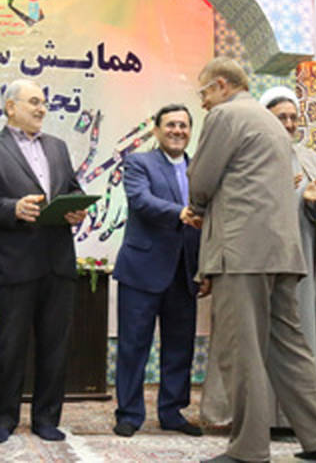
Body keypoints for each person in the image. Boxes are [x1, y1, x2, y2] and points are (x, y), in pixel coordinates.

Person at [187, 58, 316, 462]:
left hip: (243, 253)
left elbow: (201, 179)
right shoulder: (270, 122)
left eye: (204, 92)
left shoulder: (225, 115)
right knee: (288, 346)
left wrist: (195, 207)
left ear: (222, 85)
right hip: (281, 252)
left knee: (243, 348)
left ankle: (249, 449)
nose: (203, 102)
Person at [0, 79, 87, 444]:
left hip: (58, 261)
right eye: (33, 101)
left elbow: (72, 188)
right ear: (11, 107)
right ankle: (1, 419)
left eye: (44, 102)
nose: (41, 108)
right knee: (9, 345)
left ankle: (47, 419)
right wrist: (12, 208)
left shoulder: (58, 146)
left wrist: (77, 207)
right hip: (15, 261)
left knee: (55, 346)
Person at [111, 104, 202, 438]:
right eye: (171, 124)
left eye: (183, 125)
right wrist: (180, 213)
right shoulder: (139, 162)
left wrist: (206, 271)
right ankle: (129, 414)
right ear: (156, 129)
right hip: (142, 270)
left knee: (180, 346)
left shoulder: (199, 169)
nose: (177, 131)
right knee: (133, 345)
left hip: (185, 272)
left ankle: (172, 412)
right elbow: (140, 200)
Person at [261, 86, 316, 434]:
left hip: (309, 265)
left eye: (293, 117)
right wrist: (296, 197)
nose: (289, 123)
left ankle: (310, 419)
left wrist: (310, 204)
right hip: (271, 267)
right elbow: (253, 208)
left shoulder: (312, 160)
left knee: (309, 336)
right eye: (281, 117)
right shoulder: (256, 158)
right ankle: (273, 418)